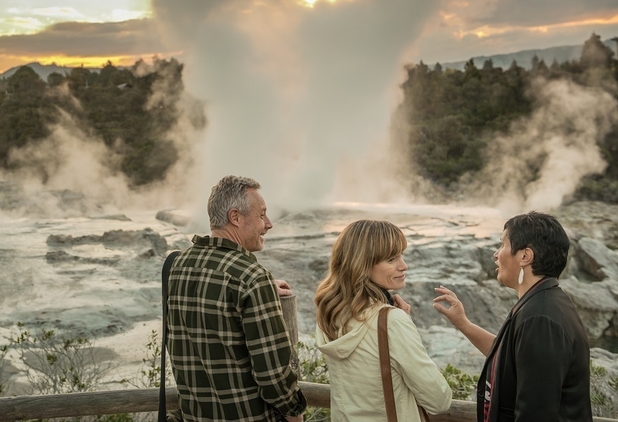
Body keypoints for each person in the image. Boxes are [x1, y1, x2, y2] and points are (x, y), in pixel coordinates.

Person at [166, 175, 307, 421]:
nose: (269, 224)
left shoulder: (178, 265)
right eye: (262, 215)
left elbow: (211, 296)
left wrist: (261, 290)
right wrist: (295, 412)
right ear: (235, 217)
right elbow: (273, 377)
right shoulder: (252, 278)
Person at [432, 211, 593, 422]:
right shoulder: (541, 301)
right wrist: (463, 323)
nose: (496, 254)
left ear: (525, 256)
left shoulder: (541, 318)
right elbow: (509, 358)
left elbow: (536, 414)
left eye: (502, 245)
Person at [314, 219, 451, 422]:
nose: (404, 266)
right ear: (362, 264)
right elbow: (439, 400)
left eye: (401, 256)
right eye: (391, 259)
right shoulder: (392, 322)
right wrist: (404, 325)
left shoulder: (329, 315)